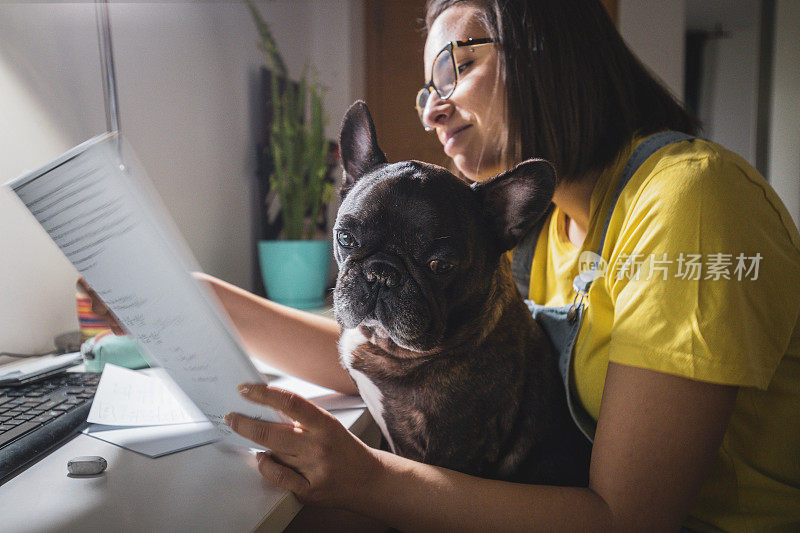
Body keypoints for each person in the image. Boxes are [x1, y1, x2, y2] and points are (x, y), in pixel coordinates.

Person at [84, 0, 800, 530]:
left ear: (542, 39)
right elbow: (399, 355)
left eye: (456, 67)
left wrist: (370, 479)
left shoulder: (686, 203)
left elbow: (630, 519)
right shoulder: (559, 225)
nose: (433, 110)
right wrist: (194, 297)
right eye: (429, 88)